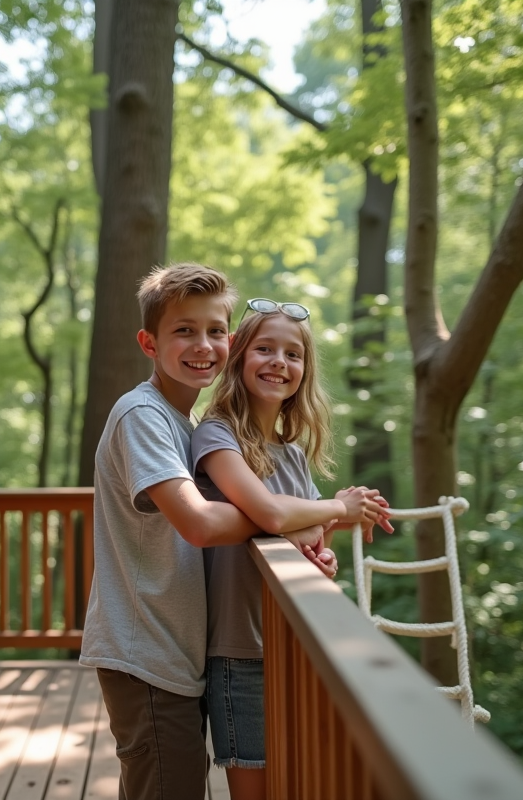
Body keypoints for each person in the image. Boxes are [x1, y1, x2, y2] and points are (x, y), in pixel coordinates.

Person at [79, 267, 328, 800]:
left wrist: (297, 527)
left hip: (179, 648)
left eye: (215, 331)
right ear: (149, 343)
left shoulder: (184, 423)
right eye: (184, 331)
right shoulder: (141, 415)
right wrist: (295, 517)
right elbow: (200, 524)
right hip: (146, 649)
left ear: (229, 342)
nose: (203, 345)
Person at [191, 298, 393, 800]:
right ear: (239, 356)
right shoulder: (217, 436)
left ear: (305, 371)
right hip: (240, 649)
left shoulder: (295, 455)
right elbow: (274, 516)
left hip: (296, 643)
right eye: (265, 349)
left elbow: (308, 541)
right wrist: (337, 508)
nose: (279, 362)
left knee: (301, 781)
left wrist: (323, 551)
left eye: (293, 354)